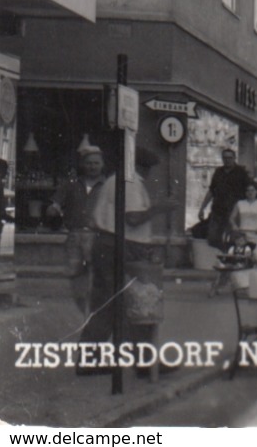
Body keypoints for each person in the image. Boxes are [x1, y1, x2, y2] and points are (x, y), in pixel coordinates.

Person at [82, 147, 177, 375]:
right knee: (137, 303)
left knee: (108, 304)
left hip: (108, 244)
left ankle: (91, 360)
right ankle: (144, 363)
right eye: (149, 168)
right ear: (141, 166)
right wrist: (159, 208)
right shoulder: (131, 182)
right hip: (121, 246)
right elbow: (132, 218)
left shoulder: (115, 181)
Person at [45, 145, 105, 314]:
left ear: (102, 164)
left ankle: (95, 313)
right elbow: (55, 204)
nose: (92, 166)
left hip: (98, 237)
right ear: (82, 164)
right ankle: (83, 313)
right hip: (75, 235)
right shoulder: (70, 185)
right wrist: (53, 209)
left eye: (96, 163)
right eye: (89, 163)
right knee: (76, 276)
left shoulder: (107, 185)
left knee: (97, 277)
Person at [199, 147, 252, 250]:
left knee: (233, 238)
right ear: (222, 159)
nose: (227, 160)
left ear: (234, 158)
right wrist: (202, 208)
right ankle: (220, 256)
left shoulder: (241, 172)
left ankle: (231, 258)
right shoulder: (218, 172)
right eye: (225, 158)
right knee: (213, 237)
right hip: (218, 209)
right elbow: (211, 191)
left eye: (230, 157)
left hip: (234, 210)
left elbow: (250, 190)